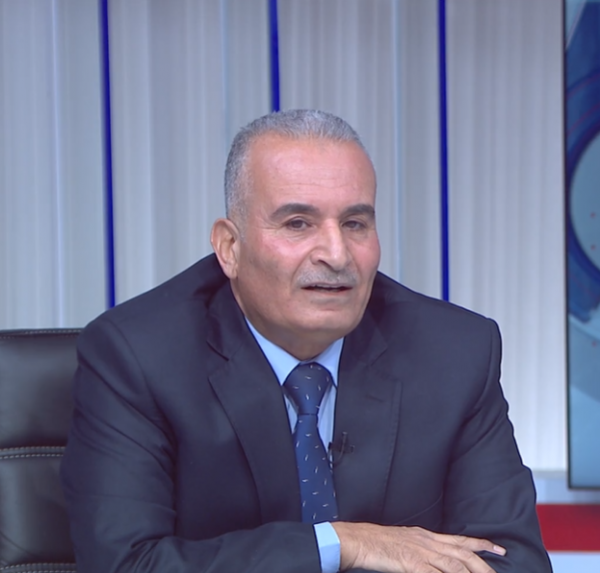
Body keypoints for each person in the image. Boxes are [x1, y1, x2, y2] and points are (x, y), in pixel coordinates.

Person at [61, 109, 552, 573]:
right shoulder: (138, 356)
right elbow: (126, 564)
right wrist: (339, 544)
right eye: (298, 224)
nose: (337, 254)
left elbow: (513, 562)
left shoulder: (454, 353)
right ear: (230, 247)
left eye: (355, 223)